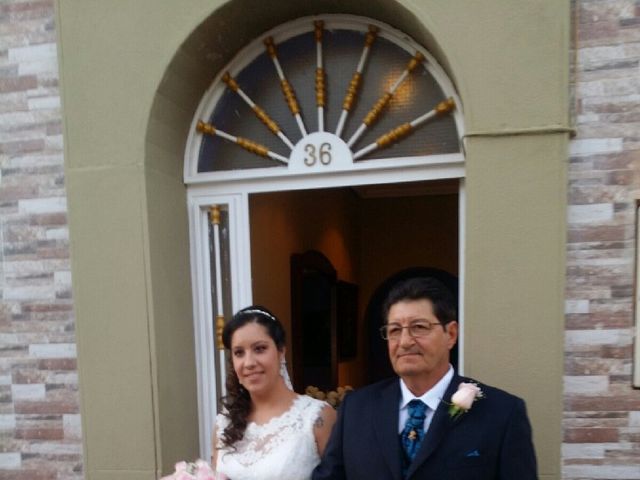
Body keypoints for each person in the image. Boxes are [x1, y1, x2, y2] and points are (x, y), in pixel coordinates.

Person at [312, 277, 537, 480]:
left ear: (451, 334)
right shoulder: (357, 408)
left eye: (419, 327)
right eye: (395, 330)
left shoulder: (502, 413)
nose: (405, 341)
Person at [212, 306, 337, 480]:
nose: (248, 362)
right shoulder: (224, 424)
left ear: (281, 352)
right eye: (239, 353)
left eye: (260, 349)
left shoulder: (317, 418)